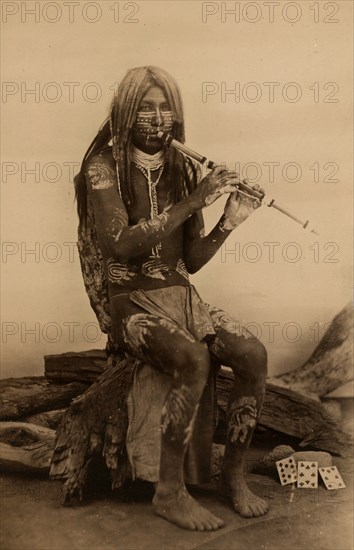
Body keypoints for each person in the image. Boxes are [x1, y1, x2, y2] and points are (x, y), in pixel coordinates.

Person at [74, 66, 269, 531]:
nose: (158, 118)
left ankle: (233, 478)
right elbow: (120, 244)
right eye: (145, 106)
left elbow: (194, 260)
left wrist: (229, 218)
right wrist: (197, 200)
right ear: (124, 112)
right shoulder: (102, 166)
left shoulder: (181, 167)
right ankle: (169, 491)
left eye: (166, 108)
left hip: (183, 296)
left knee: (253, 354)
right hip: (132, 302)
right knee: (194, 360)